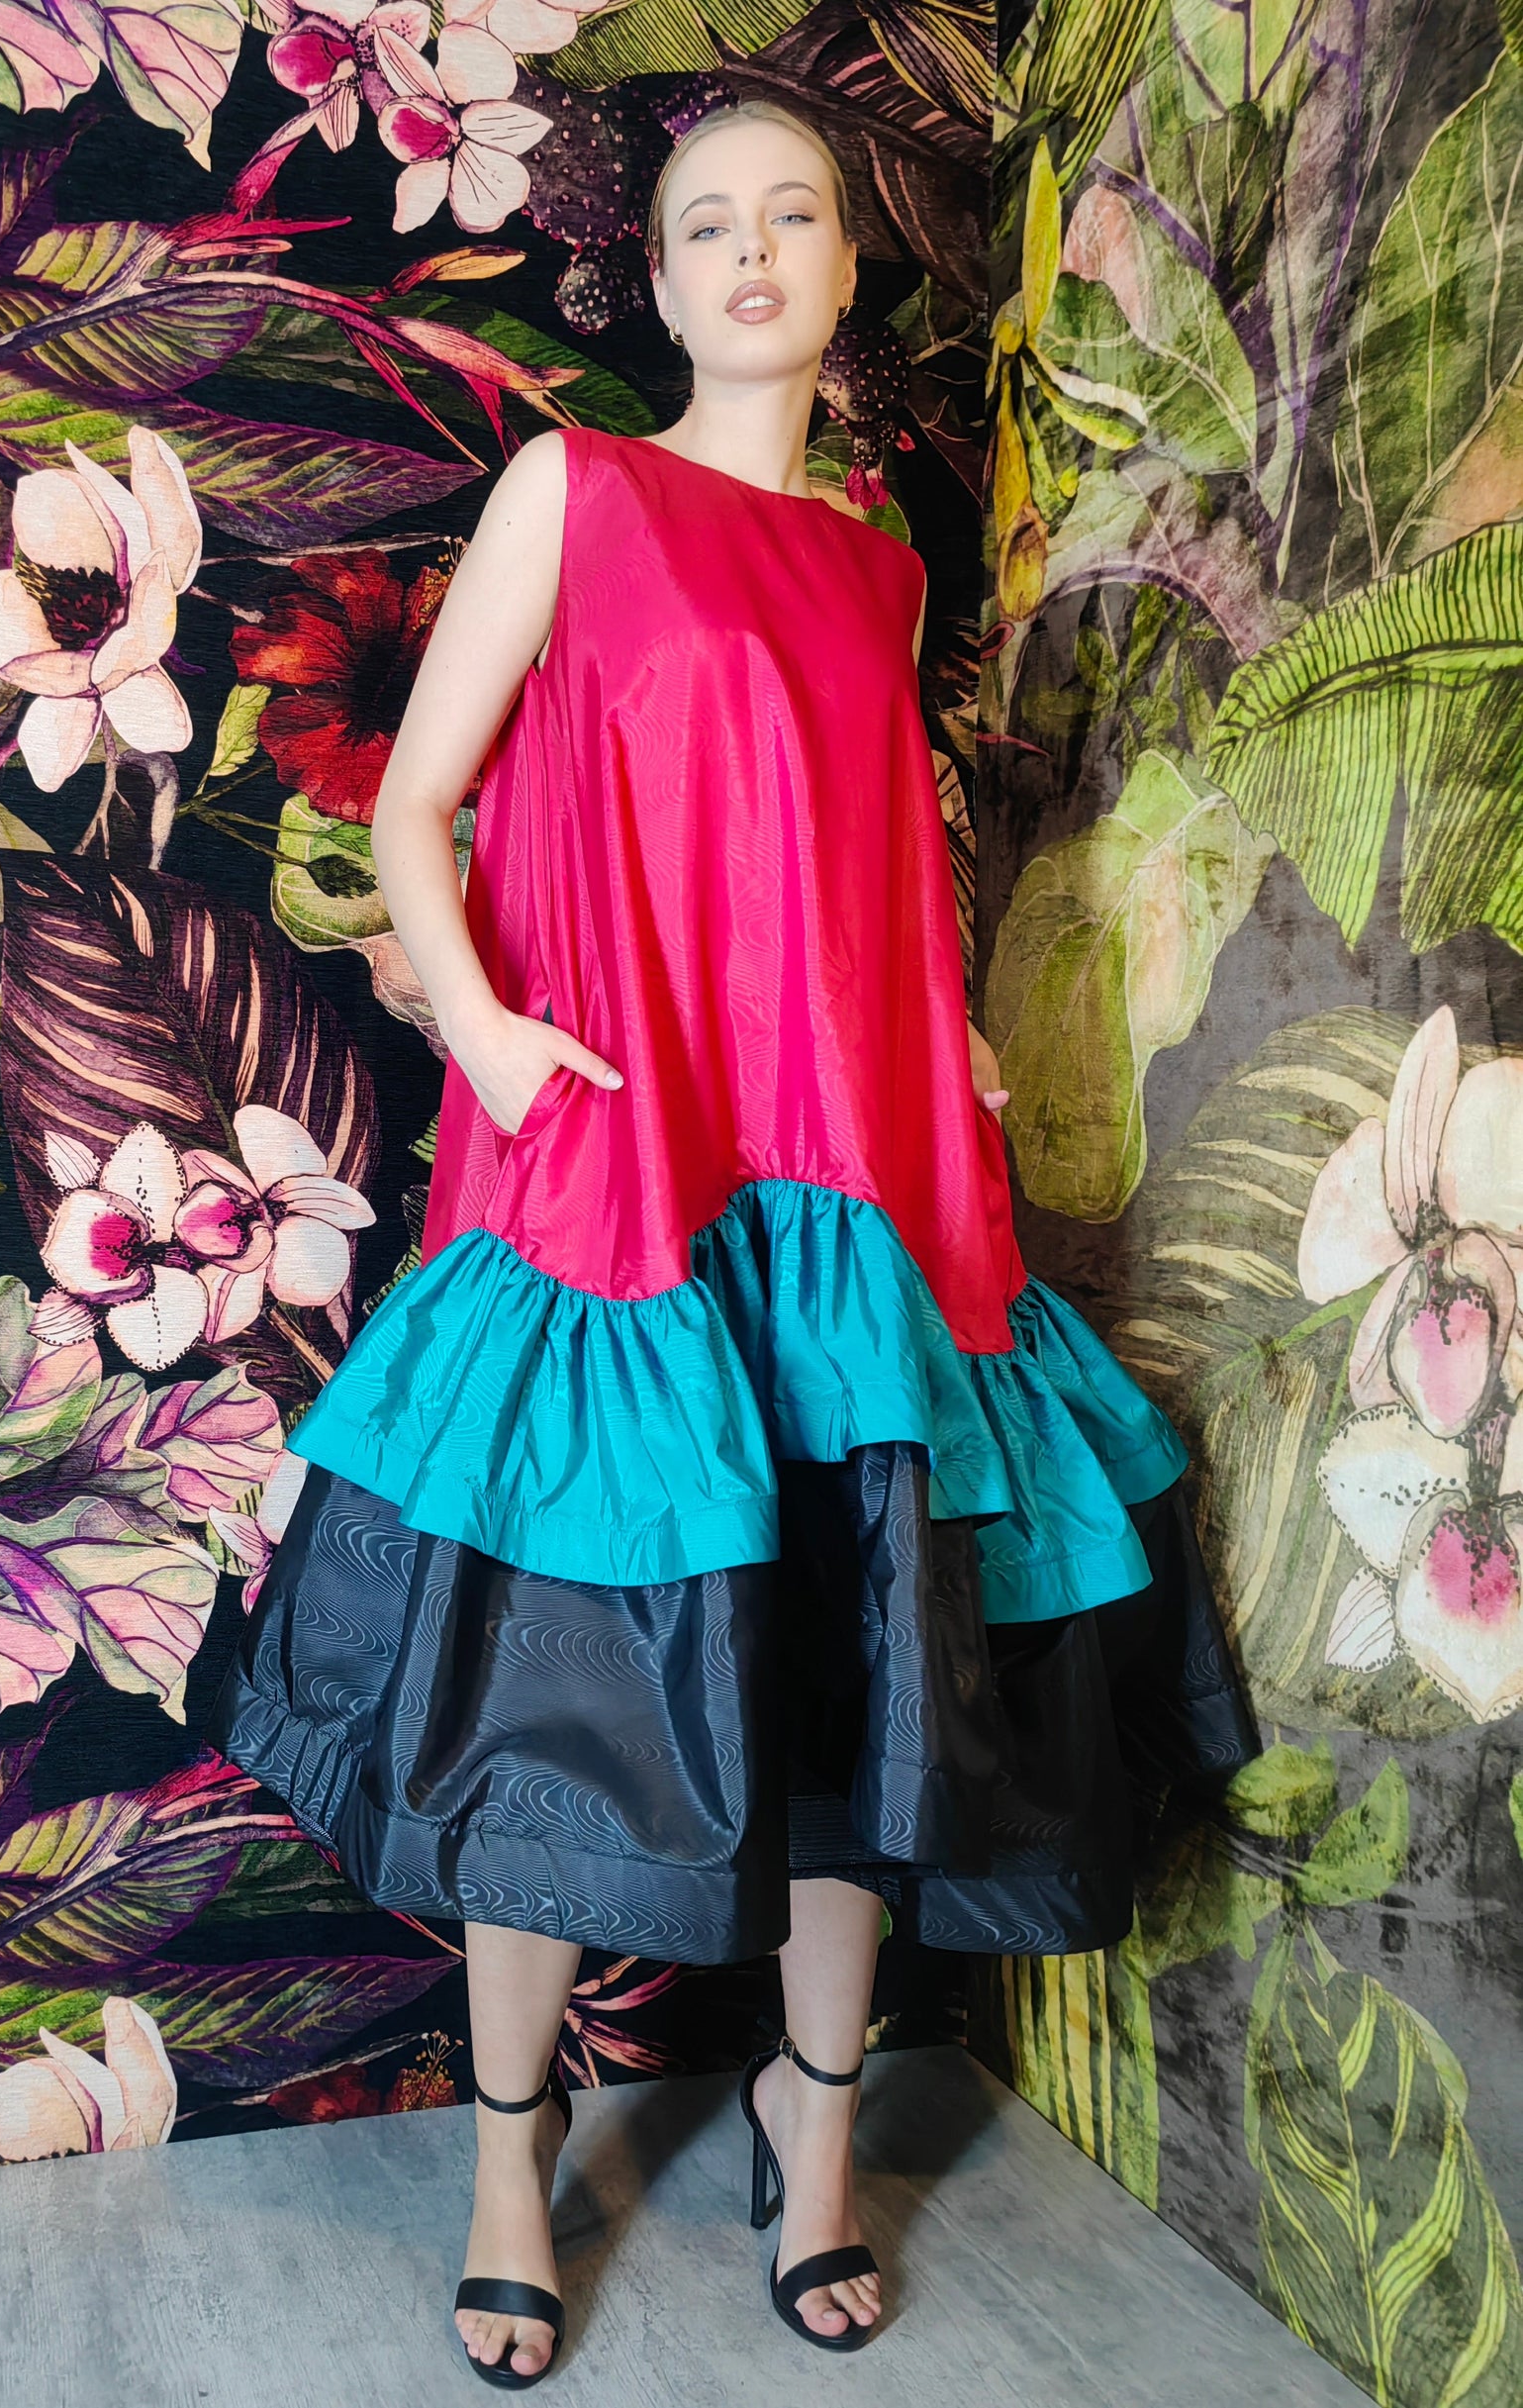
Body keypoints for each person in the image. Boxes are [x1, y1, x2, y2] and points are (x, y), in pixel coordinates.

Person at [214, 98, 1256, 2388]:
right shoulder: (574, 489)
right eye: (709, 224)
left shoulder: (878, 561)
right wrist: (478, 1023)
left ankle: (810, 2138)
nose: (755, 250)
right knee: (535, 1693)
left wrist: (956, 1063)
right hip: (617, 1169)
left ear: (840, 269)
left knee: (837, 1683)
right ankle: (512, 2157)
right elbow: (412, 799)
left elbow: (856, 855)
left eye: (792, 213)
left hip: (852, 1179)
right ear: (661, 283)